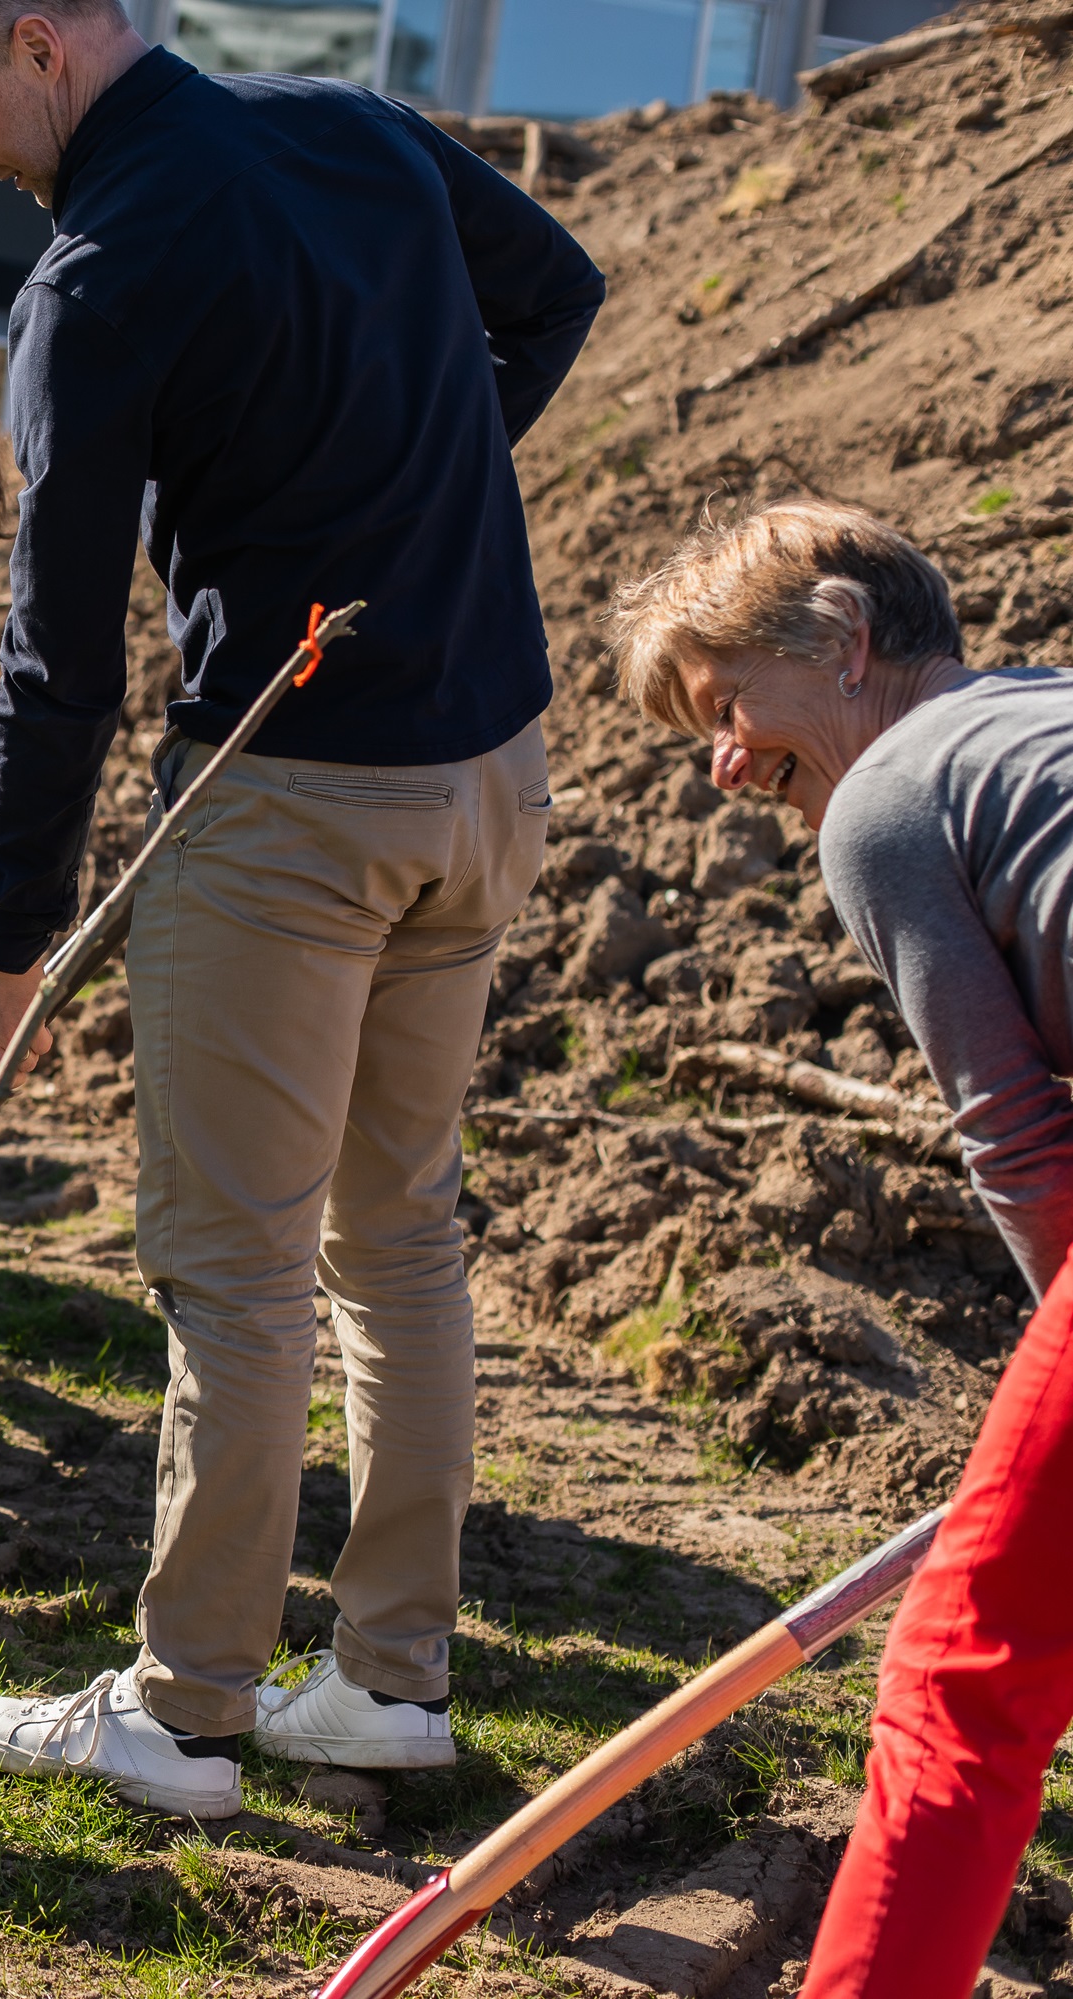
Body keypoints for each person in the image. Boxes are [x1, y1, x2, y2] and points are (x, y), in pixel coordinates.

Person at [0, 0, 601, 1815]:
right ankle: (389, 1682)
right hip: (489, 766)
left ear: (41, 39)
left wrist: (1, 934)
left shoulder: (101, 276)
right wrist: (418, 490)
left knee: (238, 1273)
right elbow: (555, 292)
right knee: (402, 1234)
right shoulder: (356, 130)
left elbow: (56, 661)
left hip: (292, 809)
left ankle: (185, 1706)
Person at [610, 502, 1073, 1999]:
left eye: (730, 705)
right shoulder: (1041, 716)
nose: (724, 763)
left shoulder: (891, 792)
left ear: (846, 637)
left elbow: (1015, 1138)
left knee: (963, 1688)